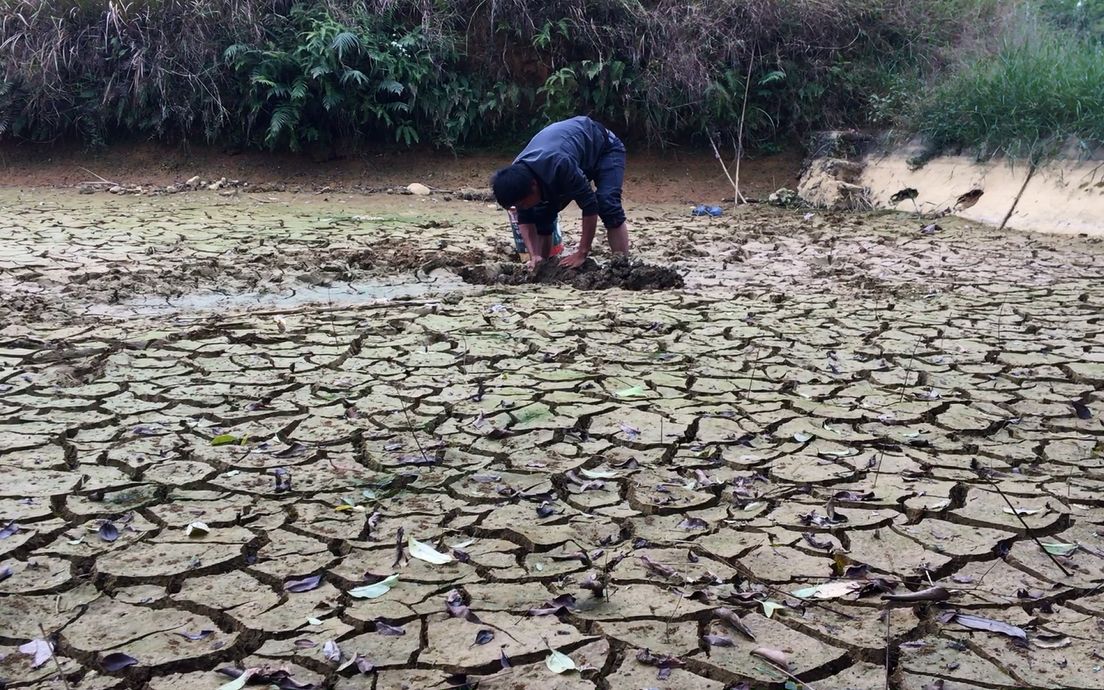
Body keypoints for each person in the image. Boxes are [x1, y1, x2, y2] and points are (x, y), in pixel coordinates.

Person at [491, 116, 630, 269]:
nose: (522, 207)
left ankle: (622, 266)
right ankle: (542, 263)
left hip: (605, 149)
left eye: (522, 203)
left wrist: (581, 253)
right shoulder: (516, 175)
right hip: (572, 158)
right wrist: (534, 255)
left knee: (607, 203)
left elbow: (590, 205)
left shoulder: (559, 165)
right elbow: (524, 217)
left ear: (534, 186)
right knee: (541, 212)